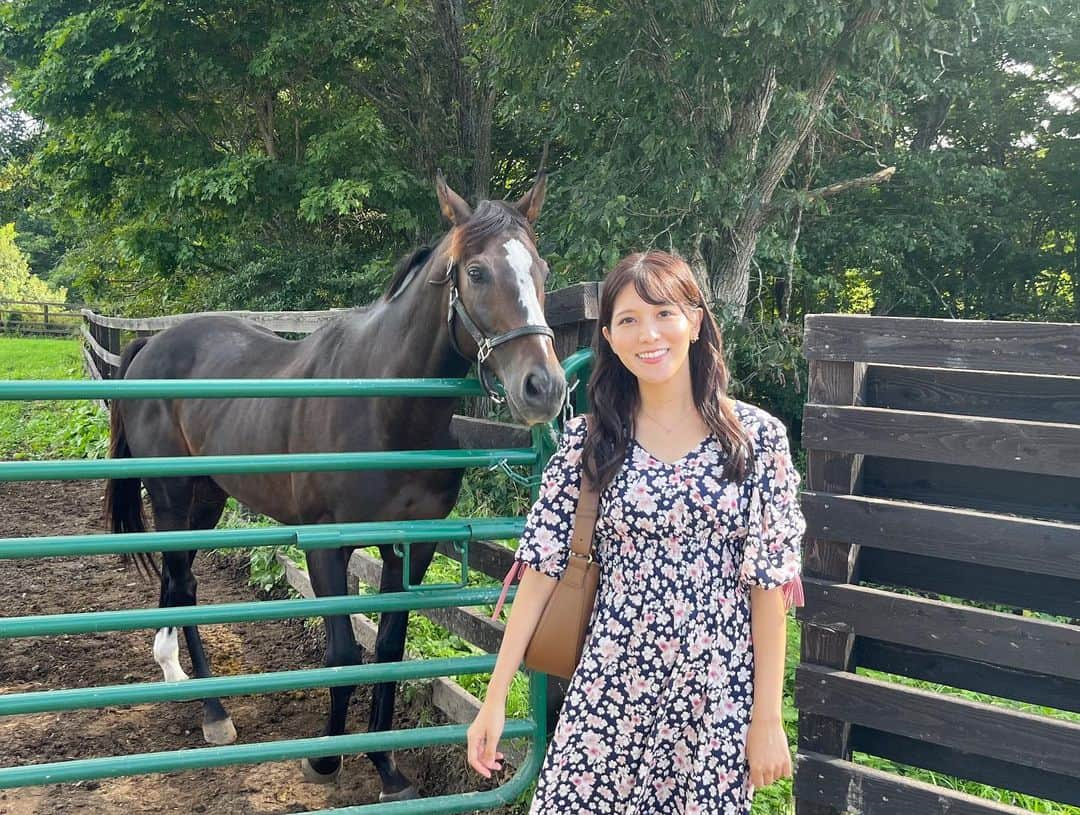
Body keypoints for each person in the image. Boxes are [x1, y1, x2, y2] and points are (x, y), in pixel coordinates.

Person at [467, 250, 805, 813]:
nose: (648, 334)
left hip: (713, 696)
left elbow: (768, 588)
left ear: (695, 322)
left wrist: (767, 719)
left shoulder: (756, 441)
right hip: (609, 687)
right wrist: (495, 694)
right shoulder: (587, 442)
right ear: (610, 338)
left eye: (664, 314)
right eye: (628, 320)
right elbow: (542, 571)